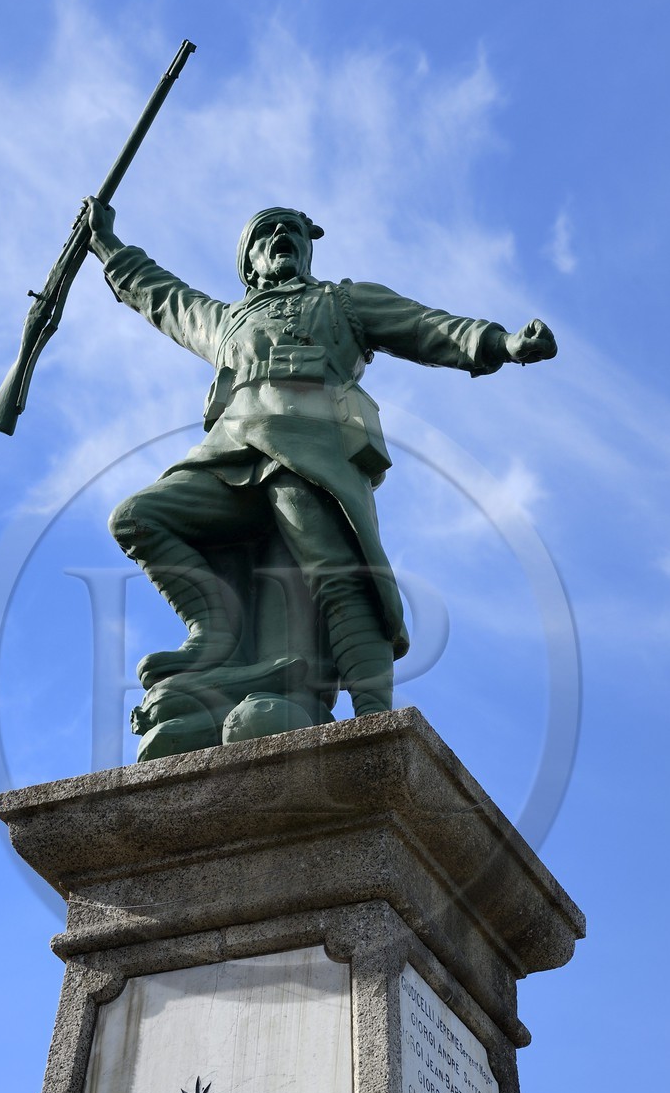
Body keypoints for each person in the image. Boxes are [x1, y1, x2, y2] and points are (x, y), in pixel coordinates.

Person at [84, 199, 556, 747]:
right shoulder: (226, 322)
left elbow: (426, 326)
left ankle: (373, 715)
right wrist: (107, 245)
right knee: (138, 518)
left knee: (334, 570)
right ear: (250, 265)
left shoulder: (344, 302)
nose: (280, 235)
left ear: (308, 247)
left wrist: (500, 344)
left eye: (290, 229)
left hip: (311, 445)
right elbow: (161, 294)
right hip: (234, 450)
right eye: (266, 232)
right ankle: (212, 630)